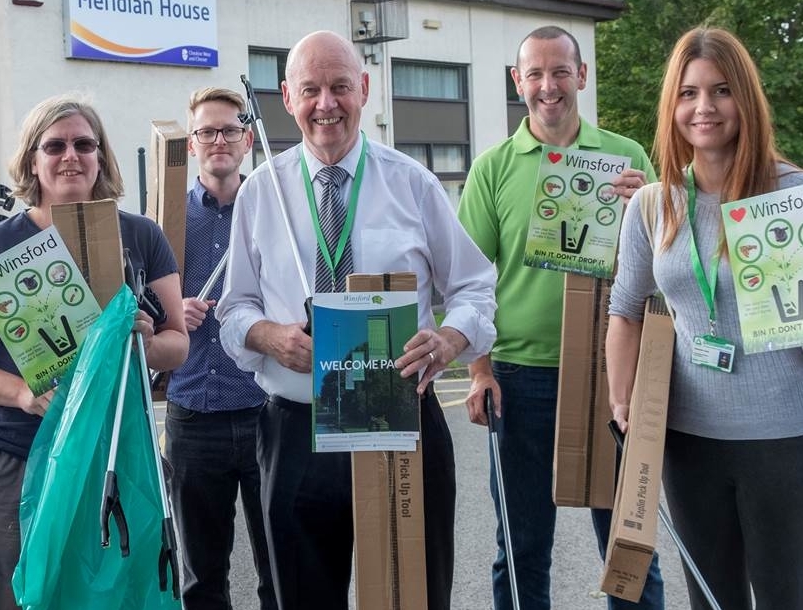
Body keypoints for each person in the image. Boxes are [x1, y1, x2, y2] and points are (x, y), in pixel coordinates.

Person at [217, 31, 497, 610]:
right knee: (302, 595)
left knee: (411, 598)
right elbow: (233, 310)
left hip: (398, 422)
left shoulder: (412, 183)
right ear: (288, 97)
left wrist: (450, 338)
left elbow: (475, 286)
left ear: (363, 89)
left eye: (341, 87)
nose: (327, 104)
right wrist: (268, 335)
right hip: (297, 428)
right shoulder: (260, 193)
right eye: (312, 90)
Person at [0, 94, 189, 610]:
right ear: (33, 159)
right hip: (18, 450)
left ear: (101, 156)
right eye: (54, 145)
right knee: (27, 592)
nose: (70, 155)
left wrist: (143, 338)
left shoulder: (140, 236)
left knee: (116, 592)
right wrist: (23, 393)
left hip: (117, 448)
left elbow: (177, 347)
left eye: (84, 144)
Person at [455, 25, 665, 610]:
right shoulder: (493, 167)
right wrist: (479, 372)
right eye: (536, 74)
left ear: (582, 76)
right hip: (520, 380)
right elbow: (469, 280)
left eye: (561, 72)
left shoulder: (627, 157)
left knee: (629, 548)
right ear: (517, 81)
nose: (549, 86)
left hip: (611, 378)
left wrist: (647, 206)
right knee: (520, 549)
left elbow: (659, 270)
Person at [607, 27, 803, 610]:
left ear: (745, 100)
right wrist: (623, 403)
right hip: (687, 439)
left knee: (783, 596)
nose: (704, 108)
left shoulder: (789, 197)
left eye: (721, 91)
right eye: (689, 93)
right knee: (711, 599)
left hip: (782, 437)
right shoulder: (654, 203)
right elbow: (624, 309)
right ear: (673, 106)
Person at [164, 86, 275, 610]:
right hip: (194, 414)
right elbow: (140, 310)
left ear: (247, 139)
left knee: (281, 564)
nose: (218, 140)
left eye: (229, 130)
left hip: (265, 410)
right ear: (191, 145)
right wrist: (171, 312)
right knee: (202, 578)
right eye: (206, 132)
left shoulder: (275, 213)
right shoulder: (166, 222)